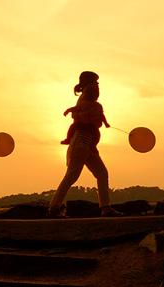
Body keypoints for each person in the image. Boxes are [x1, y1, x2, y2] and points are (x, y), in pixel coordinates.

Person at [49, 71, 122, 217]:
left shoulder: (86, 101)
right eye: (95, 82)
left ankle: (105, 208)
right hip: (81, 143)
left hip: (87, 145)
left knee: (100, 173)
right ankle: (54, 208)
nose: (97, 86)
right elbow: (89, 117)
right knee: (72, 175)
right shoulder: (87, 99)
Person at [60, 72, 110, 145]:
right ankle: (68, 139)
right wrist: (69, 110)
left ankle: (69, 139)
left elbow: (101, 115)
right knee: (73, 127)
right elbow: (78, 108)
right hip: (82, 124)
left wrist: (106, 123)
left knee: (74, 127)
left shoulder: (97, 105)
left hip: (89, 126)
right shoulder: (86, 102)